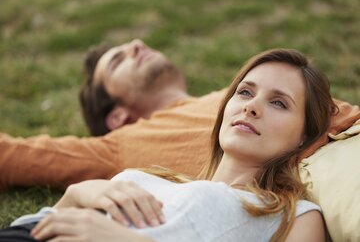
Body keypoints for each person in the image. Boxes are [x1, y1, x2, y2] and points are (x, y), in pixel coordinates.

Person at [1, 48, 332, 242]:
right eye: (244, 91)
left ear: (306, 134)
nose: (251, 106)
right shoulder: (151, 171)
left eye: (279, 103)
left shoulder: (294, 214)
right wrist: (77, 193)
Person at [0, 40, 359, 193]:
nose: (137, 44)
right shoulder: (117, 147)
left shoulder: (247, 93)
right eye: (119, 60)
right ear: (117, 115)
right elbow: (15, 156)